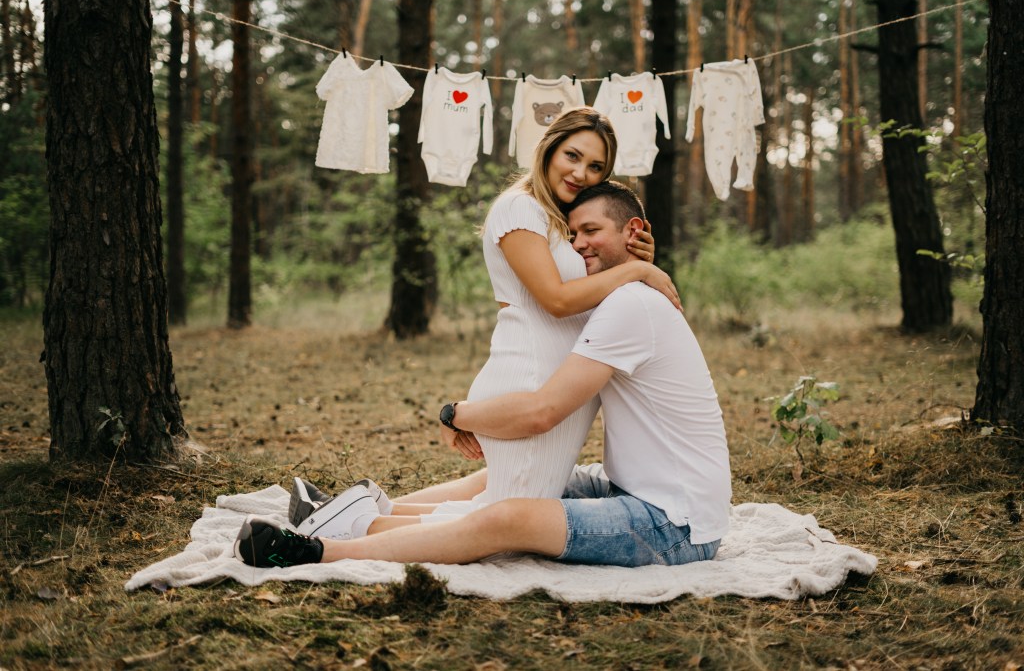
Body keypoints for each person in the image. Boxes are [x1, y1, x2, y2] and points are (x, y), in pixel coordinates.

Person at [235, 181, 731, 568]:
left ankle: (321, 550)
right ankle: (363, 514)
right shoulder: (621, 297)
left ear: (633, 230)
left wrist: (457, 414)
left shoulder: (631, 305)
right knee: (515, 477)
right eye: (572, 235)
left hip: (676, 525)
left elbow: (542, 412)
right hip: (634, 489)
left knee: (510, 515)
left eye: (591, 231)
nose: (579, 244)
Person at [287, 107, 679, 541]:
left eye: (596, 166)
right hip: (530, 380)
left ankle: (356, 511)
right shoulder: (520, 209)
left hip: (559, 384)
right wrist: (637, 271)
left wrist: (632, 257)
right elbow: (555, 300)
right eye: (572, 155)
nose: (581, 173)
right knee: (495, 524)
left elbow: (597, 293)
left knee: (495, 511)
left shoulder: (561, 222)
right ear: (549, 149)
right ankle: (347, 529)